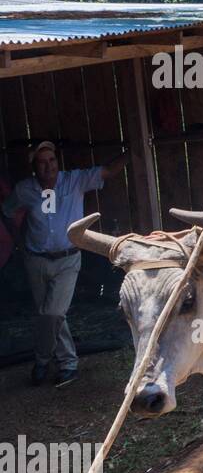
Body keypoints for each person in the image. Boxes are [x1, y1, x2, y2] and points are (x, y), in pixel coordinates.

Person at [2, 141, 129, 387]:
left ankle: (42, 360)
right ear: (34, 167)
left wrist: (133, 149)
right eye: (42, 162)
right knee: (47, 315)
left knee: (53, 312)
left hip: (67, 259)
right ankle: (67, 364)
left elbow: (109, 171)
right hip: (36, 259)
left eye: (52, 160)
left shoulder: (74, 181)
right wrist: (18, 242)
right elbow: (6, 212)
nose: (48, 166)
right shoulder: (25, 189)